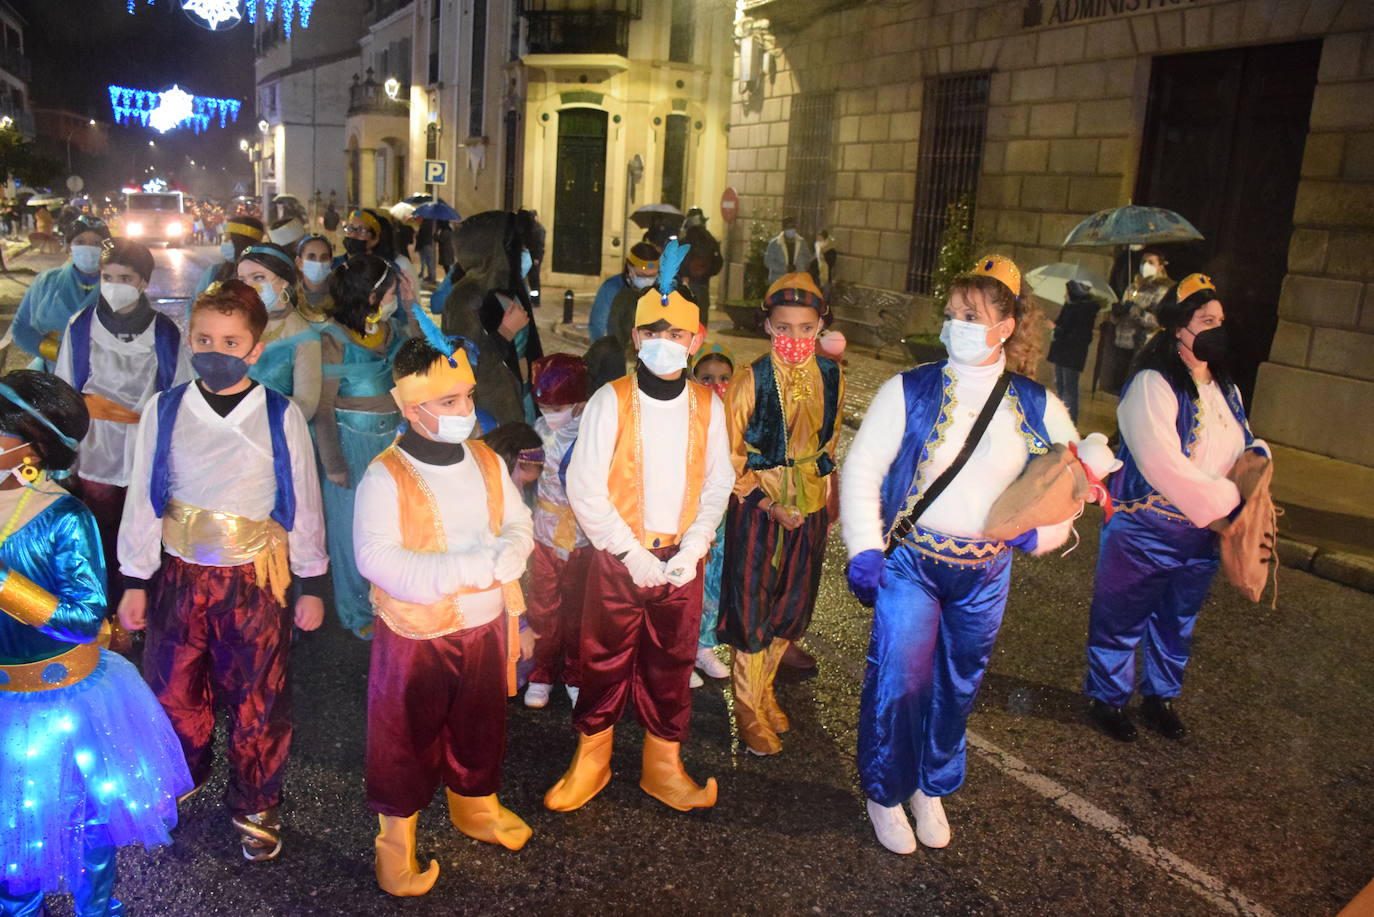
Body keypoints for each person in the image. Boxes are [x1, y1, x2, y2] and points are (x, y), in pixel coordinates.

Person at [841, 255, 1085, 854]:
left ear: (1005, 326)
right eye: (951, 315)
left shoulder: (1037, 404)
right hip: (912, 565)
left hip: (986, 573)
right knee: (900, 681)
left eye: (970, 316)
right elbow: (862, 469)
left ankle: (929, 783)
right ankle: (885, 790)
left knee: (956, 685)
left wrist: (1042, 534)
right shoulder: (909, 389)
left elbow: (1075, 489)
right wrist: (867, 549)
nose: (955, 326)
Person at [116, 280, 329, 862]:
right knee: (173, 688)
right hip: (180, 578)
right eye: (205, 338)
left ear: (255, 349)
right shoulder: (163, 409)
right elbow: (144, 497)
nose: (216, 350)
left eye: (231, 341)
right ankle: (180, 777)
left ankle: (257, 798)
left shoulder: (280, 415)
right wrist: (135, 578)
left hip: (255, 582)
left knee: (259, 695)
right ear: (189, 340)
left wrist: (310, 582)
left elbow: (302, 499)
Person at [548, 240, 733, 814]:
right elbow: (585, 487)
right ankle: (592, 760)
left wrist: (694, 547)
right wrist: (631, 555)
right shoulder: (611, 399)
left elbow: (717, 482)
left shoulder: (709, 405)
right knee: (601, 658)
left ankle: (663, 765)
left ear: (695, 340)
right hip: (619, 559)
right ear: (635, 338)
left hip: (681, 559)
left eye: (676, 334)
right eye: (652, 331)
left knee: (672, 664)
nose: (664, 343)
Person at [0, 371, 192, 917]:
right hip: (3, 701)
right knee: (11, 827)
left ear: (33, 449)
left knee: (84, 820)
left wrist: (6, 587)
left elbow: (85, 617)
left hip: (66, 701)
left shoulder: (63, 517)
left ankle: (96, 907)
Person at [354, 321, 534, 897]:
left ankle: (475, 804)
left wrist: (513, 549)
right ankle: (395, 839)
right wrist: (475, 568)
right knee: (404, 737)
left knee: (480, 723)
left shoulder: (485, 458)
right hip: (416, 635)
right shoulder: (385, 475)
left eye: (469, 397)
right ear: (410, 407)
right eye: (448, 400)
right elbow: (377, 559)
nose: (465, 409)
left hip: (483, 627)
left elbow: (517, 520)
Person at [1084, 274, 1269, 743]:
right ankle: (1107, 698)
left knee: (1177, 622)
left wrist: (1259, 458)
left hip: (1203, 534)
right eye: (1206, 320)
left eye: (1220, 321)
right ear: (1178, 327)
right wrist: (1228, 503)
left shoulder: (1225, 387)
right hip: (1147, 528)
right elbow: (1163, 464)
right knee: (1121, 617)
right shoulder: (1152, 383)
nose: (1217, 328)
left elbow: (1242, 442)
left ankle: (1160, 697)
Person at [718, 273, 844, 754]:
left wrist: (825, 495)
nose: (795, 339)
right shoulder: (749, 382)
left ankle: (765, 689)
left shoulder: (832, 375)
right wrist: (767, 503)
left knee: (792, 608)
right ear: (768, 326)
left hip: (809, 508)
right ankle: (747, 707)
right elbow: (728, 459)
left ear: (819, 326)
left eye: (806, 327)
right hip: (760, 511)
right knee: (753, 607)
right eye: (784, 327)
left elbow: (828, 442)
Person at [54, 239, 189, 613]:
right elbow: (66, 390)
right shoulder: (80, 326)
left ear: (143, 282)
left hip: (144, 446)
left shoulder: (164, 333)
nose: (113, 284)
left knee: (146, 530)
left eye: (124, 278)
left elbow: (178, 394)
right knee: (100, 530)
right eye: (107, 276)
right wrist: (63, 454)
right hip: (96, 447)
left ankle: (145, 606)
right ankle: (103, 611)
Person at [315, 255, 408, 637]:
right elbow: (321, 405)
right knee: (350, 530)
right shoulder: (333, 338)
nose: (395, 299)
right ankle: (356, 611)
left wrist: (414, 305)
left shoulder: (392, 330)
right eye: (392, 292)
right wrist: (334, 463)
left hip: (393, 442)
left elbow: (421, 357)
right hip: (350, 444)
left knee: (392, 527)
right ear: (372, 296)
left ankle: (390, 598)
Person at [523, 353, 591, 710]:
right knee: (542, 607)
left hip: (583, 537)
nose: (551, 413)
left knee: (580, 611)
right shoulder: (537, 430)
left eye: (559, 406)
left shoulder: (596, 433)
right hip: (545, 535)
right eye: (545, 405)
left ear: (580, 402)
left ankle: (576, 673)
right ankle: (542, 673)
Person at [437, 211, 535, 426]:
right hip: (488, 415)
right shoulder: (465, 297)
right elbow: (464, 365)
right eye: (512, 245)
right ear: (493, 251)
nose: (521, 252)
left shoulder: (507, 288)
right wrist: (506, 332)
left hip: (516, 402)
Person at [689, 344, 734, 687]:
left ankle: (703, 646)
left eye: (723, 379)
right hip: (688, 514)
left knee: (714, 580)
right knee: (686, 581)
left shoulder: (739, 416)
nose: (716, 385)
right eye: (707, 378)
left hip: (723, 516)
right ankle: (679, 650)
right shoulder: (685, 414)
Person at [9, 216, 109, 370]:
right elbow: (21, 328)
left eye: (96, 243)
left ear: (106, 249)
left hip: (105, 376)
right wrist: (56, 352)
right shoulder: (46, 281)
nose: (88, 248)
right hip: (52, 373)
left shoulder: (118, 284)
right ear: (69, 246)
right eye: (80, 242)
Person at [237, 243, 323, 422]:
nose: (248, 288)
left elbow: (307, 407)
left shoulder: (305, 337)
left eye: (258, 278)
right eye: (242, 281)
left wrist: (243, 405)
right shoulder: (232, 325)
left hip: (276, 438)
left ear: (284, 281)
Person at [1047, 279, 1100, 423]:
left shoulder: (1085, 310)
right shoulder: (1070, 305)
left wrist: (1056, 330)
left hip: (1071, 355)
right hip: (1061, 352)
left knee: (1069, 388)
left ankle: (1070, 421)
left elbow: (1079, 335)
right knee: (1060, 385)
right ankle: (1061, 417)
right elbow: (1062, 323)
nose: (1065, 294)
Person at [590, 242, 658, 343]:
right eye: (642, 275)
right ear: (630, 268)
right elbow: (598, 324)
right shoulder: (611, 288)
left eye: (652, 276)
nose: (648, 280)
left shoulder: (664, 289)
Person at [191, 215, 265, 304]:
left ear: (242, 242)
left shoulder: (267, 275)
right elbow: (194, 304)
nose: (224, 243)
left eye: (228, 239)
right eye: (224, 239)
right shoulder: (214, 272)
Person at [681, 208, 723, 328]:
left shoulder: (688, 238)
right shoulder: (709, 238)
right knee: (702, 309)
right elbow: (718, 260)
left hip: (688, 280)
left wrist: (684, 274)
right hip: (704, 281)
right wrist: (708, 273)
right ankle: (700, 333)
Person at [294, 233, 336, 326]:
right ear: (299, 263)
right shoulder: (292, 298)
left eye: (324, 257)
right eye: (311, 257)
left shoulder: (341, 293)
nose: (318, 262)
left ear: (331, 262)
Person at [764, 217, 812, 285]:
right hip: (779, 281)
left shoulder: (802, 243)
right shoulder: (774, 243)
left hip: (798, 281)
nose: (791, 229)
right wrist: (784, 269)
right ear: (783, 228)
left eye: (793, 226)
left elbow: (807, 259)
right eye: (788, 227)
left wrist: (799, 268)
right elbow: (768, 261)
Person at [811, 229, 838, 301]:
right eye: (818, 237)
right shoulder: (817, 248)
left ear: (825, 238)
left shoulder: (830, 250)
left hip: (825, 278)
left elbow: (830, 263)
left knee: (824, 299)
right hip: (816, 277)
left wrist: (822, 258)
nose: (818, 239)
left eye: (820, 237)